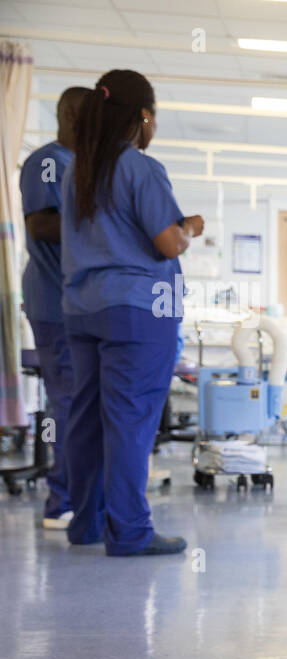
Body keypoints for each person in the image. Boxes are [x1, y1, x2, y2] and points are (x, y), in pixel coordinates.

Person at [61, 70, 203, 556]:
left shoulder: (75, 171)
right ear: (143, 116)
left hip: (81, 310)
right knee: (129, 422)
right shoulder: (140, 169)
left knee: (86, 418)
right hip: (136, 313)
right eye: (154, 117)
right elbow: (167, 243)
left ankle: (86, 524)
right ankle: (130, 532)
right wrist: (189, 226)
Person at [20, 86, 90, 530]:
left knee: (79, 401)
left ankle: (77, 494)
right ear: (66, 114)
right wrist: (102, 222)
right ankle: (60, 502)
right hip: (52, 302)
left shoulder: (82, 166)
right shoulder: (47, 161)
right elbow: (42, 224)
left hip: (77, 304)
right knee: (67, 400)